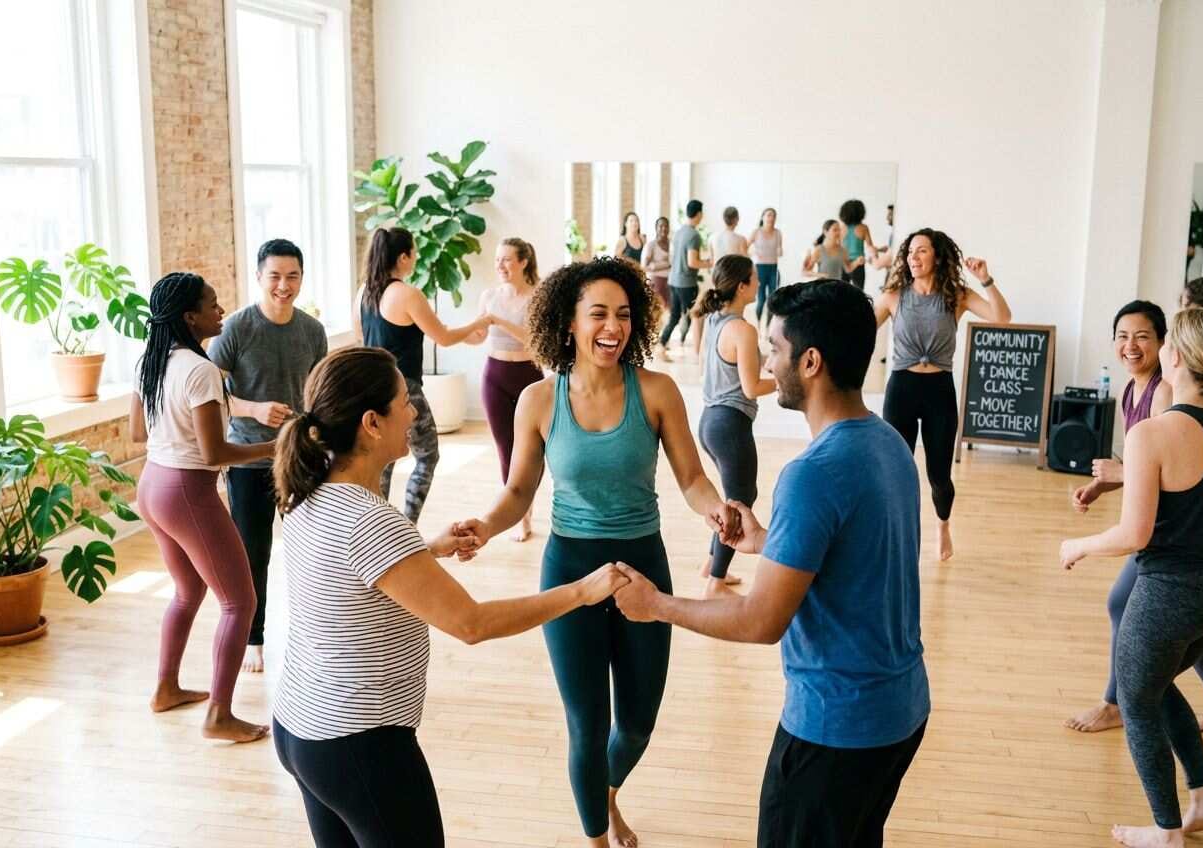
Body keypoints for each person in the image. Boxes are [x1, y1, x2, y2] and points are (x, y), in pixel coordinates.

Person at [613, 280, 930, 848]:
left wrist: (656, 605)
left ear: (810, 362)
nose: (768, 362)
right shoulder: (887, 444)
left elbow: (762, 621)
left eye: (775, 349)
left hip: (836, 729)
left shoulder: (813, 473)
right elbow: (856, 554)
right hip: (900, 713)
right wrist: (766, 540)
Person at [270, 346, 627, 847]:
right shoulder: (372, 521)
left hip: (302, 727)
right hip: (359, 744)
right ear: (372, 423)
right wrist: (582, 591)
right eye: (403, 403)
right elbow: (471, 623)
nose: (414, 412)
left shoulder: (309, 493)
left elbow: (350, 577)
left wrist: (424, 550)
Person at [455, 256, 735, 848]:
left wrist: (714, 506)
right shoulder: (537, 399)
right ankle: (596, 838)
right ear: (569, 323)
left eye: (625, 315)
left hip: (643, 568)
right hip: (569, 568)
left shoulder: (655, 392)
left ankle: (606, 795)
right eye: (599, 314)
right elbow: (518, 491)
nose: (614, 327)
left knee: (634, 724)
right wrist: (487, 524)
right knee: (587, 726)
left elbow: (690, 477)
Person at [1060, 307, 1203, 848]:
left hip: (1172, 591)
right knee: (1154, 686)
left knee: (1135, 698)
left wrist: (1078, 545)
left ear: (1174, 355)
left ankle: (1166, 831)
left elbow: (1134, 534)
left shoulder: (1152, 434)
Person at [130, 271, 271, 743]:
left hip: (152, 485)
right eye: (211, 304)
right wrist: (274, 447)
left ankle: (166, 689)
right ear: (190, 317)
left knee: (187, 591)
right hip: (187, 492)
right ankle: (219, 715)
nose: (220, 309)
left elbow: (137, 432)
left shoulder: (150, 363)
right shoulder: (200, 370)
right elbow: (214, 454)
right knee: (240, 602)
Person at [209, 238, 328, 674]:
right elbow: (211, 392)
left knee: (311, 549)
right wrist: (253, 408)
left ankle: (315, 630)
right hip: (248, 460)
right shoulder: (236, 329)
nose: (284, 285)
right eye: (275, 276)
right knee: (252, 552)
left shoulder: (312, 331)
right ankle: (253, 637)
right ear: (259, 277)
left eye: (292, 276)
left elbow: (318, 394)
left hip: (300, 460)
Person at [874, 228, 1012, 561]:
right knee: (896, 468)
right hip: (902, 389)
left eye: (921, 251)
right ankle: (898, 534)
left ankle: (943, 524)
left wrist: (986, 279)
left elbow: (1002, 318)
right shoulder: (894, 296)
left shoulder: (957, 295)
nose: (913, 257)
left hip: (938, 390)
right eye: (909, 252)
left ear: (936, 256)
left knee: (939, 476)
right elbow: (862, 330)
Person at [352, 227, 490, 522]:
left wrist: (468, 334)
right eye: (413, 252)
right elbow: (443, 337)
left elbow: (360, 339)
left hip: (371, 391)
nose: (415, 258)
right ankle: (407, 526)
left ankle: (377, 529)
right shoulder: (407, 294)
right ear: (403, 257)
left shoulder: (364, 293)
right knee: (427, 457)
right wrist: (479, 323)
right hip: (404, 390)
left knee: (383, 462)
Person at [693, 255, 776, 590]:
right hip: (729, 424)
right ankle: (715, 582)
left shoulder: (715, 320)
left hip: (710, 422)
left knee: (737, 495)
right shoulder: (743, 329)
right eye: (754, 278)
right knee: (740, 501)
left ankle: (713, 562)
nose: (759, 283)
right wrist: (788, 381)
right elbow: (752, 387)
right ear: (742, 286)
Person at [477, 237, 545, 542]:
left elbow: (534, 340)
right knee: (505, 448)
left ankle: (527, 503)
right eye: (497, 260)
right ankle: (520, 516)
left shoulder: (537, 296)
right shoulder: (489, 296)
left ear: (523, 262)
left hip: (528, 375)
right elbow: (478, 335)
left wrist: (498, 321)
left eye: (507, 259)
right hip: (494, 375)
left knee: (530, 448)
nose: (500, 266)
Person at [658, 199, 711, 358]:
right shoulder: (694, 235)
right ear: (699, 214)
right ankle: (698, 351)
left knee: (675, 316)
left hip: (673, 280)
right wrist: (710, 263)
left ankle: (663, 342)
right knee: (697, 314)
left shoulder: (679, 232)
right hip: (686, 283)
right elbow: (692, 262)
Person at [748, 207, 783, 331]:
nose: (771, 218)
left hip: (773, 268)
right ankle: (758, 325)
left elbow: (780, 250)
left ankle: (768, 327)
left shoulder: (778, 233)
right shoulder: (756, 232)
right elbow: (745, 248)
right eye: (768, 215)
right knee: (761, 299)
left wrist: (779, 252)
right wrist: (753, 255)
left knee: (772, 299)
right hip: (760, 268)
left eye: (773, 215)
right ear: (763, 217)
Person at [838, 199, 877, 290]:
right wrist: (874, 256)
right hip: (859, 263)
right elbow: (870, 246)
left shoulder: (841, 228)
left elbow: (838, 247)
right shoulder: (863, 228)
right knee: (859, 292)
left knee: (841, 292)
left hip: (843, 263)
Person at [641, 216, 672, 314]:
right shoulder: (651, 245)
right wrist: (665, 265)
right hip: (656, 282)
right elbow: (644, 267)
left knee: (669, 313)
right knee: (657, 313)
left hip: (671, 282)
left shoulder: (672, 244)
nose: (664, 228)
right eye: (661, 226)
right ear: (656, 228)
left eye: (666, 226)